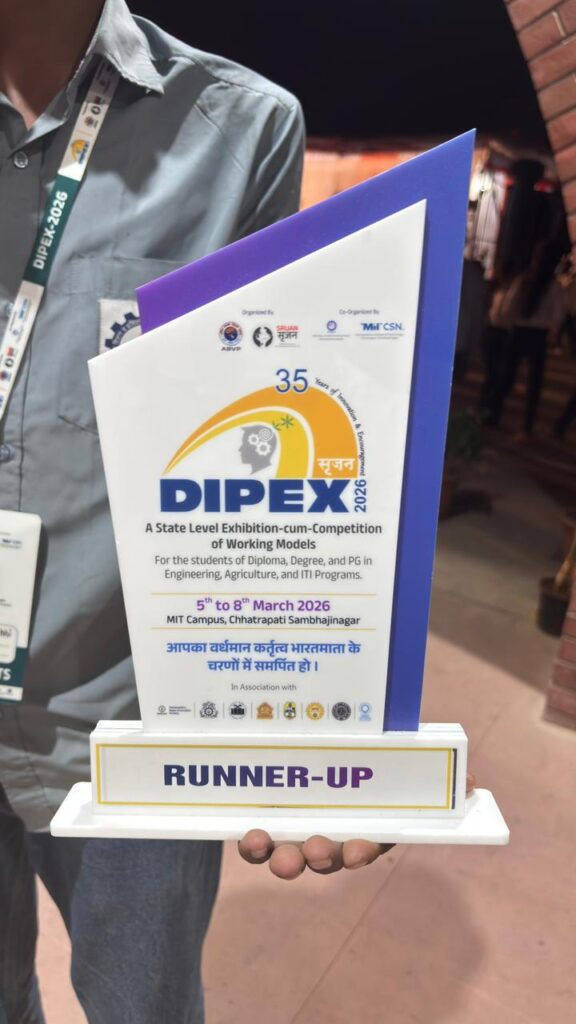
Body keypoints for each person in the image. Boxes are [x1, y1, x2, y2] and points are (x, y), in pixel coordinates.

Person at [0, 2, 391, 1021]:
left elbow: (279, 431)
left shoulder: (242, 131)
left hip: (131, 720)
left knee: (144, 1005)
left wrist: (319, 704)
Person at [489, 240, 568, 441]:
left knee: (506, 376)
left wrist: (508, 323)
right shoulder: (554, 286)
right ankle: (526, 427)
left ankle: (492, 415)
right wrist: (553, 331)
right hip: (538, 335)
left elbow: (507, 308)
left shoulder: (523, 281)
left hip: (518, 331)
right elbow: (558, 315)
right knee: (534, 383)